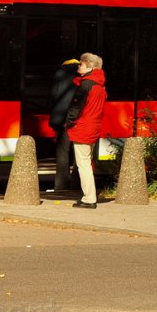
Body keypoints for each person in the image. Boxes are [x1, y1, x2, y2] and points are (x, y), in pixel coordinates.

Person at [64, 53, 107, 209]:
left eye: (81, 64)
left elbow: (76, 107)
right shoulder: (99, 84)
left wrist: (69, 122)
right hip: (94, 126)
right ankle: (89, 196)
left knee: (83, 164)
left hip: (83, 127)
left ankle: (89, 198)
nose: (78, 66)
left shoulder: (86, 84)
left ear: (90, 66)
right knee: (87, 162)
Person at [49, 58, 80, 191]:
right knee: (79, 152)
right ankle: (76, 184)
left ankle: (61, 185)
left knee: (62, 151)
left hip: (62, 118)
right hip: (79, 118)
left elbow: (53, 96)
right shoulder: (83, 74)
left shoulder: (60, 73)